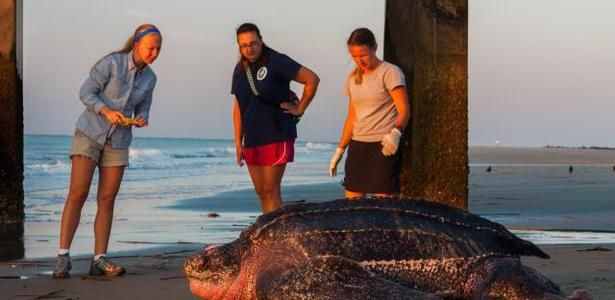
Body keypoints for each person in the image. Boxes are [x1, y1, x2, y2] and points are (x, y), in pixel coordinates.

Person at [52, 24, 162, 278]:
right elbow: (85, 92)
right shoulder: (112, 63)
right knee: (77, 194)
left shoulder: (151, 78)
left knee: (107, 199)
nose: (154, 53)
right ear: (136, 44)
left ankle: (99, 259)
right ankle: (62, 257)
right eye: (150, 47)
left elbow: (144, 106)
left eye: (158, 49)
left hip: (119, 141)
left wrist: (142, 118)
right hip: (89, 133)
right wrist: (106, 111)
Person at [231, 23, 319, 213]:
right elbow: (238, 107)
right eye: (244, 45)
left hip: (277, 133)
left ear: (261, 40)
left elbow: (312, 79)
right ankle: (270, 233)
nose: (249, 48)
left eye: (253, 43)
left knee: (271, 190)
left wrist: (300, 108)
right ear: (239, 46)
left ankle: (277, 236)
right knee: (261, 191)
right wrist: (238, 142)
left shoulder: (277, 61)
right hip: (252, 138)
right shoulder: (239, 70)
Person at [329, 27, 410, 199]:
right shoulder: (352, 78)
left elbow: (404, 110)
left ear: (374, 48)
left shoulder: (390, 72)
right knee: (352, 203)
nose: (360, 60)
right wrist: (340, 149)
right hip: (358, 145)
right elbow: (352, 117)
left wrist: (395, 133)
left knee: (385, 204)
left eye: (363, 55)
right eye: (354, 56)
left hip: (384, 145)